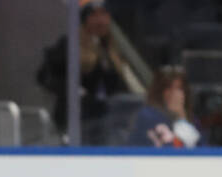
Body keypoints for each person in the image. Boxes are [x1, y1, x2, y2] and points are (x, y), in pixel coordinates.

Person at [36, 0, 145, 144]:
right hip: (78, 118)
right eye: (95, 15)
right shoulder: (70, 45)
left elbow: (117, 84)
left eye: (104, 15)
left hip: (107, 117)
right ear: (85, 19)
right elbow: (45, 76)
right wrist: (76, 92)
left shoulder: (109, 48)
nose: (101, 20)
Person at [126, 65, 199, 147]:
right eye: (169, 88)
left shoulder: (191, 119)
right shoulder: (147, 116)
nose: (174, 93)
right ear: (159, 91)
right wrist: (181, 121)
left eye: (179, 88)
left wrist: (182, 118)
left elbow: (204, 149)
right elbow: (170, 150)